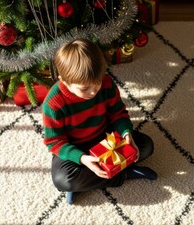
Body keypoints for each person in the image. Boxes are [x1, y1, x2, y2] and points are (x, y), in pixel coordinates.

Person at [42, 38, 157, 205]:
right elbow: (55, 143)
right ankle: (125, 173)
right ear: (64, 81)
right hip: (76, 146)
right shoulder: (53, 104)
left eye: (97, 82)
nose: (93, 91)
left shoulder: (107, 84)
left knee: (146, 146)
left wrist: (126, 133)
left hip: (105, 137)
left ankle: (93, 179)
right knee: (63, 180)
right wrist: (82, 158)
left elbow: (118, 114)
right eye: (84, 88)